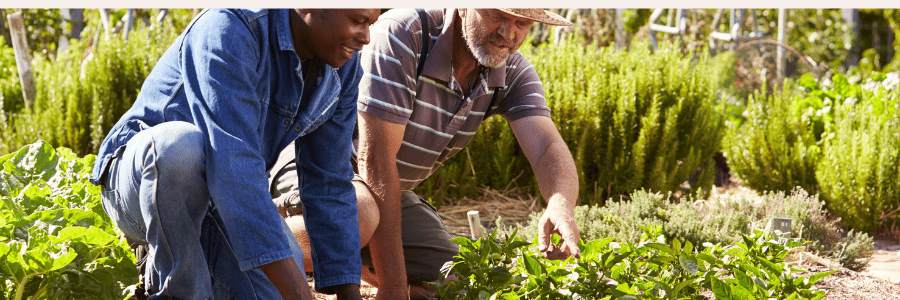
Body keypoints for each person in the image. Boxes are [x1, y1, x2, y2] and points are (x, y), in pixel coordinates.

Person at [269, 8, 582, 299]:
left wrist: (561, 203)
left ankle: (360, 263)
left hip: (386, 191)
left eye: (521, 23)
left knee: (455, 284)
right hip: (317, 167)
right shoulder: (405, 34)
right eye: (495, 15)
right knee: (358, 215)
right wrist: (392, 287)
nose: (507, 32)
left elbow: (547, 147)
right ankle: (244, 245)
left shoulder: (511, 70)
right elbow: (374, 160)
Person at [90, 8, 380, 300]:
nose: (366, 37)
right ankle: (174, 290)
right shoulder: (231, 26)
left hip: (222, 198)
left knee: (274, 291)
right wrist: (297, 290)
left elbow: (328, 181)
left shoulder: (342, 67)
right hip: (142, 183)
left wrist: (347, 292)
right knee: (181, 147)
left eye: (371, 23)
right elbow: (233, 163)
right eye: (357, 21)